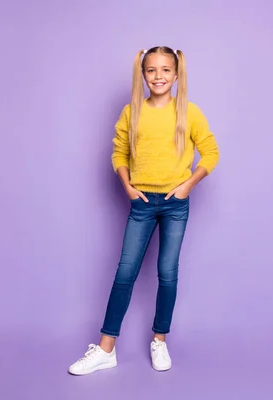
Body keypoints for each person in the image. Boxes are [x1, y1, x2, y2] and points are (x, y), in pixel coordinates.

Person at [68, 46, 219, 375]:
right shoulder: (132, 111)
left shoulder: (189, 112)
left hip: (176, 203)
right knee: (125, 273)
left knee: (167, 272)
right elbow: (119, 152)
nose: (159, 76)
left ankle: (160, 340)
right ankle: (106, 348)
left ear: (176, 75)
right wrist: (127, 186)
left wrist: (188, 185)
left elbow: (210, 153)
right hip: (142, 203)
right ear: (143, 75)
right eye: (152, 70)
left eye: (166, 70)